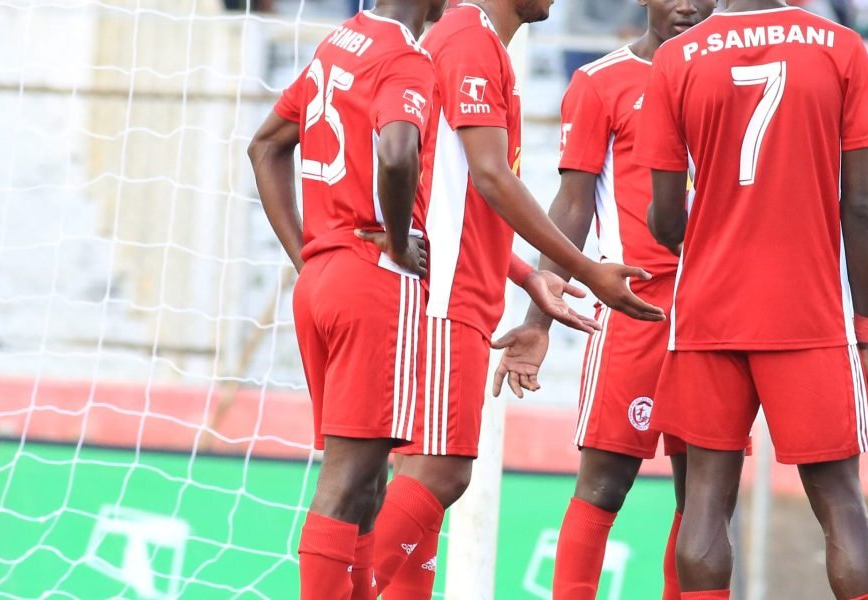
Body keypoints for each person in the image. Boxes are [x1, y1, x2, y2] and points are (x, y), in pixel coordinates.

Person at [372, 1, 668, 598]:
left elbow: (460, 190)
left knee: (422, 472)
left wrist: (527, 276)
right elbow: (489, 178)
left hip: (459, 286)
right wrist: (585, 269)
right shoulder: (470, 40)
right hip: (444, 293)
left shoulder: (477, 42)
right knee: (440, 471)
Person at [633, 1, 868, 598]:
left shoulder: (676, 56)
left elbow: (665, 218)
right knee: (840, 502)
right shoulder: (840, 46)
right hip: (808, 313)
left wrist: (707, 228)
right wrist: (867, 331)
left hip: (708, 310)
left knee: (705, 501)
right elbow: (860, 208)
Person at [490, 1, 715, 598]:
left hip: (715, 310)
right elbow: (572, 203)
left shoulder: (734, 77)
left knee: (705, 499)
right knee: (605, 484)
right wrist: (539, 320)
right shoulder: (601, 81)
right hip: (634, 306)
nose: (687, 4)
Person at [247, 1, 445, 598]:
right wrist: (399, 241)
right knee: (347, 482)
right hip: (372, 282)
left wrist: (307, 253)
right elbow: (396, 153)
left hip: (323, 278)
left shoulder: (341, 40)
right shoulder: (406, 59)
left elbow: (265, 146)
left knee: (368, 485)